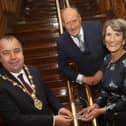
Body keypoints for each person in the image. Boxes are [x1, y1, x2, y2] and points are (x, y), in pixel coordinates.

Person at [0, 35, 72, 126]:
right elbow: (14, 119)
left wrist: (59, 108)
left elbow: (48, 95)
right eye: (6, 53)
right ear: (0, 58)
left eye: (17, 51)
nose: (13, 57)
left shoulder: (34, 70)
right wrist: (52, 120)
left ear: (22, 52)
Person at [78, 18, 126, 126]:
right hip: (109, 118)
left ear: (124, 40)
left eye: (117, 34)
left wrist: (100, 111)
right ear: (104, 39)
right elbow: (106, 90)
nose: (112, 39)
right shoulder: (107, 59)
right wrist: (95, 105)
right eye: (108, 34)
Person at [57, 7, 105, 107]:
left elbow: (110, 51)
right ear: (62, 24)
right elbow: (63, 67)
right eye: (67, 23)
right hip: (85, 82)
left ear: (80, 18)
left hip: (107, 73)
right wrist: (82, 78)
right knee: (85, 106)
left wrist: (101, 71)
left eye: (74, 21)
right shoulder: (61, 41)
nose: (72, 26)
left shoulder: (96, 27)